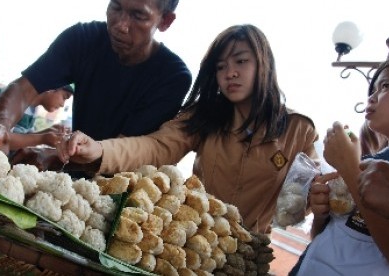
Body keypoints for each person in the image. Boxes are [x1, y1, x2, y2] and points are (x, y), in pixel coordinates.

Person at [55, 24, 319, 234]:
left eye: (241, 61)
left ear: (264, 64)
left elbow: (306, 196)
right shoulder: (205, 114)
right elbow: (157, 146)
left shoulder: (298, 129)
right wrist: (100, 150)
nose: (230, 73)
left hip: (249, 256)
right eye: (221, 66)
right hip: (194, 244)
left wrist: (318, 195)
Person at [0, 0, 192, 163]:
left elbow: (126, 152)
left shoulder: (173, 77)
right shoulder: (83, 39)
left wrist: (54, 157)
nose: (120, 25)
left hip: (112, 185)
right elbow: (23, 89)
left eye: (138, 15)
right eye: (115, 7)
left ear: (165, 21)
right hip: (68, 161)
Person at [291, 60, 389, 275]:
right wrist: (322, 214)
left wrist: (349, 168)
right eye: (373, 89)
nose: (371, 97)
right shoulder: (372, 160)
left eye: (386, 86)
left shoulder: (361, 165)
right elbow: (331, 235)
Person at [0, 85, 73, 150]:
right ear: (51, 88)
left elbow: (23, 139)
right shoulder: (13, 97)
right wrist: (42, 138)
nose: (62, 105)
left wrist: (48, 132)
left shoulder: (33, 110)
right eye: (64, 97)